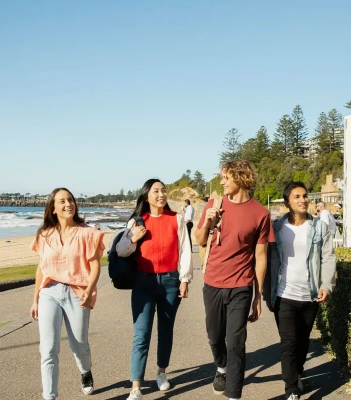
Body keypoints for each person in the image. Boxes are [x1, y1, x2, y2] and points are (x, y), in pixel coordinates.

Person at [195, 160, 272, 400]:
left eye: (225, 177)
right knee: (214, 336)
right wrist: (208, 221)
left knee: (236, 342)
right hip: (213, 283)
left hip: (241, 286)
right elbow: (199, 240)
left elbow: (260, 257)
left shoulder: (261, 214)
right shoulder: (213, 204)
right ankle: (221, 367)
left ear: (239, 178)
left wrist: (257, 296)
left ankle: (234, 395)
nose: (222, 181)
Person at [116, 179, 193, 400]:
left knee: (166, 331)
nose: (161, 194)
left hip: (171, 282)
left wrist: (185, 279)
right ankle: (136, 386)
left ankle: (161, 372)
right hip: (143, 283)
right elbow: (121, 251)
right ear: (146, 195)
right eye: (156, 191)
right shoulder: (137, 221)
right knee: (141, 335)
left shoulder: (176, 219)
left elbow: (185, 250)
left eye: (163, 190)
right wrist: (134, 237)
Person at [30, 188, 104, 400]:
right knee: (48, 348)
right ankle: (50, 395)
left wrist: (89, 290)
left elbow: (95, 265)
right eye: (62, 201)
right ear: (53, 208)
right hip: (49, 292)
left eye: (70, 200)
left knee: (79, 343)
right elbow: (41, 268)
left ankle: (85, 371)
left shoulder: (87, 233)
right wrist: (35, 299)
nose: (68, 204)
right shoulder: (44, 234)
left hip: (77, 292)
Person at [264, 183, 335, 400]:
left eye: (305, 196)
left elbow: (328, 257)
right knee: (288, 343)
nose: (303, 200)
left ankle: (297, 373)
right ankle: (291, 390)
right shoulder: (276, 228)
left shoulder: (320, 227)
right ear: (287, 202)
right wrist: (267, 293)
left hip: (310, 295)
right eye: (297, 196)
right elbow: (266, 261)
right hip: (284, 295)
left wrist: (326, 284)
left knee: (303, 342)